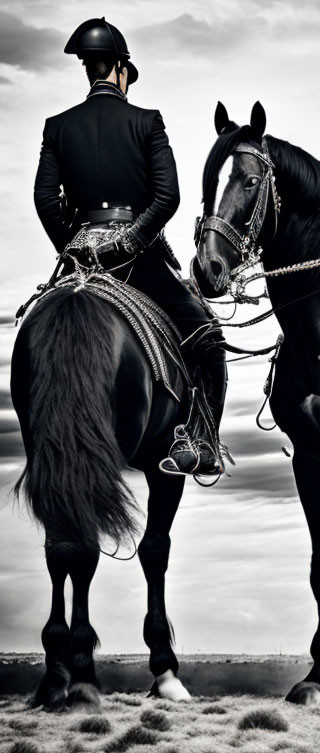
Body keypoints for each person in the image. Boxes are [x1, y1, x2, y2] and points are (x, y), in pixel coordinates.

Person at [33, 17, 227, 476]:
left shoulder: (57, 127)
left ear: (88, 70)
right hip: (139, 263)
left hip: (81, 261)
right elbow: (168, 197)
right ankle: (201, 441)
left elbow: (44, 200)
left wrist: (77, 248)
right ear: (120, 69)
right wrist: (129, 244)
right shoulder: (146, 122)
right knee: (208, 340)